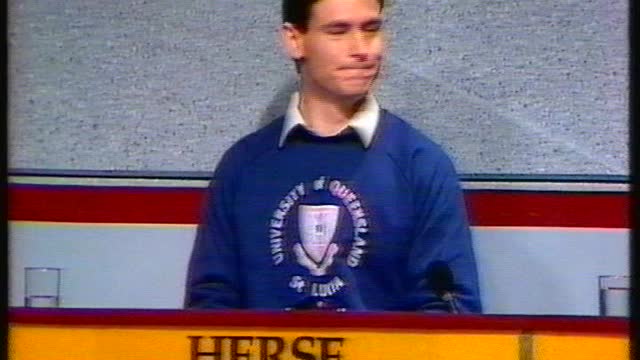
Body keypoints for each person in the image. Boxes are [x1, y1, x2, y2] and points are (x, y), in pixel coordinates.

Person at [184, 0, 482, 312]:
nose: (362, 50)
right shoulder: (243, 166)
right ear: (295, 40)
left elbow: (447, 313)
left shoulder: (421, 164)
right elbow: (210, 305)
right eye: (338, 31)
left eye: (371, 29)